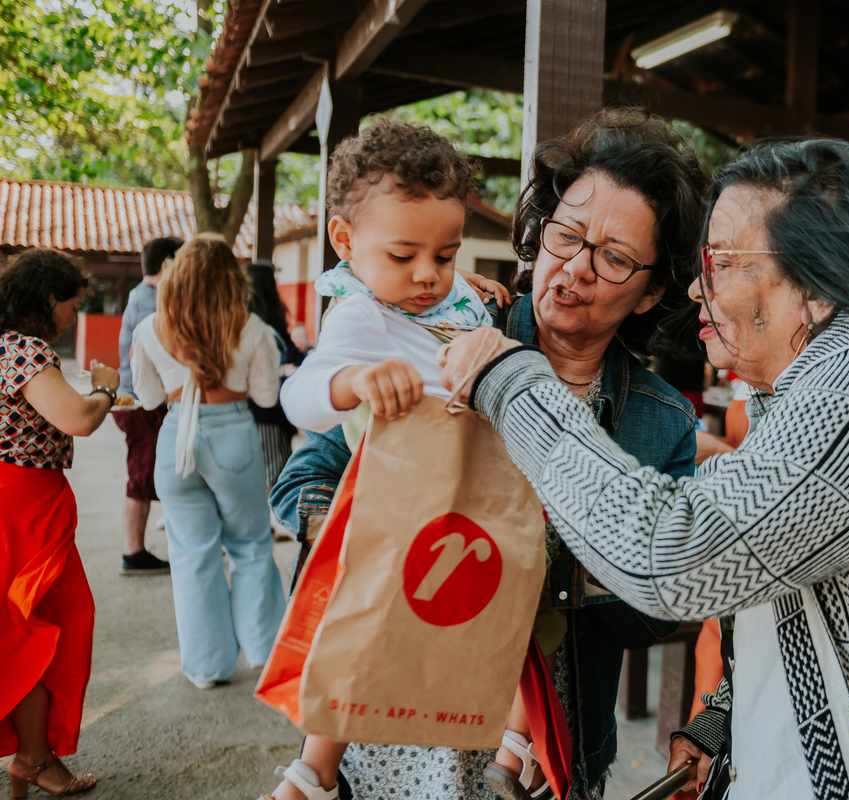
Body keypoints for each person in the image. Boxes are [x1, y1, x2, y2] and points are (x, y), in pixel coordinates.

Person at [441, 139, 849, 800]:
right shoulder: (834, 377)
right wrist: (729, 717)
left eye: (719, 262)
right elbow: (786, 560)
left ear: (814, 285)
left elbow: (676, 554)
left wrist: (508, 379)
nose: (698, 287)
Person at [268, 109, 704, 800]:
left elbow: (657, 607)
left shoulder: (662, 422)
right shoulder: (443, 325)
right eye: (566, 235)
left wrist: (550, 562)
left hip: (541, 737)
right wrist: (377, 534)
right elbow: (307, 475)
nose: (575, 269)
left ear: (652, 290)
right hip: (393, 725)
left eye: (615, 257)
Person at [130, 237, 286, 690]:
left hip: (177, 438)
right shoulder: (251, 325)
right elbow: (266, 396)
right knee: (250, 545)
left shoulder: (149, 328)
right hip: (233, 435)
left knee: (192, 554)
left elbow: (149, 398)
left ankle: (207, 667)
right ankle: (263, 649)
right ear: (230, 279)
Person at [1, 248, 120, 796]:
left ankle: (32, 755)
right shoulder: (24, 351)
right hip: (24, 504)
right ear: (49, 300)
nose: (74, 316)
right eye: (72, 305)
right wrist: (105, 387)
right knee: (44, 627)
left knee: (28, 625)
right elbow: (77, 419)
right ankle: (32, 756)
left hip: (19, 499)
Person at [113, 237, 181, 575]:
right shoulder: (149, 302)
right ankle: (133, 552)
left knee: (145, 472)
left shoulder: (143, 297)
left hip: (143, 401)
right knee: (140, 475)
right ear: (168, 264)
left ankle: (136, 551)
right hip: (142, 403)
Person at [245, 262, 303, 509]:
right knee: (274, 470)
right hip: (269, 408)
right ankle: (266, 527)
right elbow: (295, 356)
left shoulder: (241, 319)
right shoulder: (271, 322)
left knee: (256, 469)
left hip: (245, 405)